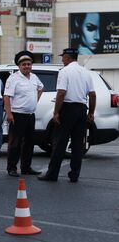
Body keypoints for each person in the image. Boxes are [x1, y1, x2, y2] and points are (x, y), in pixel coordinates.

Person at [38, 48, 96, 183]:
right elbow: (92, 94)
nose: (62, 59)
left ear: (68, 57)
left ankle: (52, 174)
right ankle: (74, 175)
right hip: (81, 109)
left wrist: (56, 112)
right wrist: (91, 113)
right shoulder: (86, 72)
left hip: (68, 109)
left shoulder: (65, 71)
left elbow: (61, 93)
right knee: (77, 144)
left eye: (63, 57)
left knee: (59, 143)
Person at [3, 51, 44, 177]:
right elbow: (6, 96)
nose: (27, 66)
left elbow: (41, 88)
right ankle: (12, 168)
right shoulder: (13, 78)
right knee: (15, 143)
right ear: (19, 66)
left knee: (29, 143)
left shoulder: (34, 77)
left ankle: (26, 167)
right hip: (17, 115)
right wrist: (9, 114)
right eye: (24, 64)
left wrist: (34, 101)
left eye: (29, 64)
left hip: (30, 115)